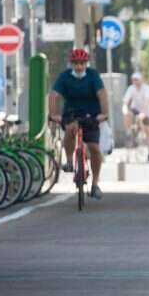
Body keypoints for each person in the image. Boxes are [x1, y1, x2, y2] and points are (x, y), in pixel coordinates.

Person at [49, 48, 109, 198]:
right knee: (70, 129)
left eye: (82, 63)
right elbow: (54, 95)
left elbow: (102, 93)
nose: (79, 67)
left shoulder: (93, 75)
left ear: (86, 63)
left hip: (91, 115)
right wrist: (53, 114)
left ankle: (95, 184)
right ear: (71, 63)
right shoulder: (65, 77)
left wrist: (104, 113)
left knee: (95, 149)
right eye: (76, 63)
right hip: (72, 113)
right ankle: (69, 161)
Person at [122, 71, 149, 157]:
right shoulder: (131, 88)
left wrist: (143, 113)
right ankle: (129, 132)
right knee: (128, 114)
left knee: (148, 131)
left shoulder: (146, 88)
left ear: (141, 80)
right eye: (134, 80)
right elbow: (125, 102)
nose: (135, 82)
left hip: (146, 111)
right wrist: (125, 111)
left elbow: (147, 101)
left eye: (137, 80)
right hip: (135, 110)